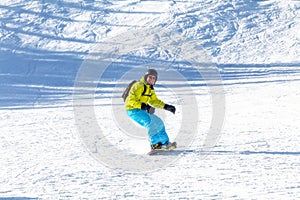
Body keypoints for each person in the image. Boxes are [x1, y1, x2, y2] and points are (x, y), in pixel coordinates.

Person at [125, 69, 176, 150]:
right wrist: (143, 106)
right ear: (146, 77)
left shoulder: (150, 88)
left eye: (154, 78)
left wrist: (166, 106)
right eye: (150, 77)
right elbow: (130, 100)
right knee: (151, 123)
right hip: (132, 110)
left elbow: (154, 101)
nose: (152, 79)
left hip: (141, 110)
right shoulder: (139, 86)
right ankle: (155, 144)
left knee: (159, 122)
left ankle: (165, 142)